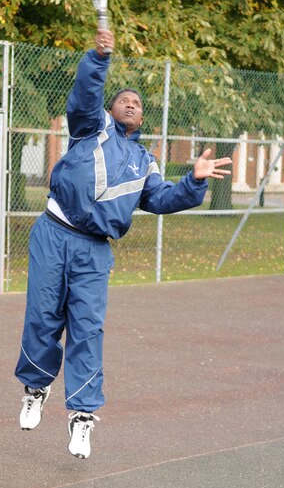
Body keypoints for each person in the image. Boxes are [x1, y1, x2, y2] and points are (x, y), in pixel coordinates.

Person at [14, 29, 232, 459]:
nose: (132, 104)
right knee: (42, 317)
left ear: (141, 118)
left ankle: (81, 419)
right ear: (110, 109)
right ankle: (35, 388)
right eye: (124, 100)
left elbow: (162, 199)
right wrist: (98, 57)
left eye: (138, 103)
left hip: (94, 250)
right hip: (54, 233)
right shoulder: (89, 128)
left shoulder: (145, 161)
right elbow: (84, 93)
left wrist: (194, 181)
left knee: (87, 331)